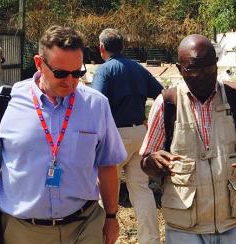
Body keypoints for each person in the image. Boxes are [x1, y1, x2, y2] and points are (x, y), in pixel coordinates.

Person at [0, 26, 126, 244]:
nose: (70, 81)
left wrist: (112, 217)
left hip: (84, 225)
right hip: (24, 230)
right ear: (39, 63)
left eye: (77, 73)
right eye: (60, 73)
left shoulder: (96, 105)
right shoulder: (6, 102)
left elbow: (107, 165)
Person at [140, 34, 236, 243]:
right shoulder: (166, 104)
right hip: (184, 228)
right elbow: (146, 160)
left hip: (235, 223)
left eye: (209, 69)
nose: (202, 76)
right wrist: (152, 161)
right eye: (193, 70)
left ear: (217, 66)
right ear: (179, 69)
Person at [91, 28, 164, 244]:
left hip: (115, 135)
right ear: (123, 47)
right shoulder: (137, 68)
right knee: (141, 188)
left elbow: (97, 102)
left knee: (104, 188)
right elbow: (160, 92)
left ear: (101, 48)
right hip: (140, 134)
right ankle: (150, 239)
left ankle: (103, 237)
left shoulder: (105, 70)